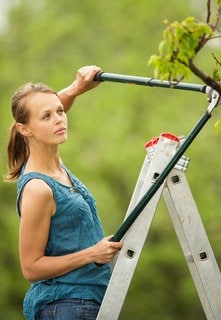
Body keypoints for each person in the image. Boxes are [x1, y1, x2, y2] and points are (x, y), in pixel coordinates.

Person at [5, 65, 123, 320]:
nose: (59, 119)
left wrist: (76, 89)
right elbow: (31, 268)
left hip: (88, 301)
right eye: (47, 116)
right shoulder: (38, 188)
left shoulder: (52, 164)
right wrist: (93, 253)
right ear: (24, 129)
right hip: (65, 306)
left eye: (60, 112)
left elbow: (41, 114)